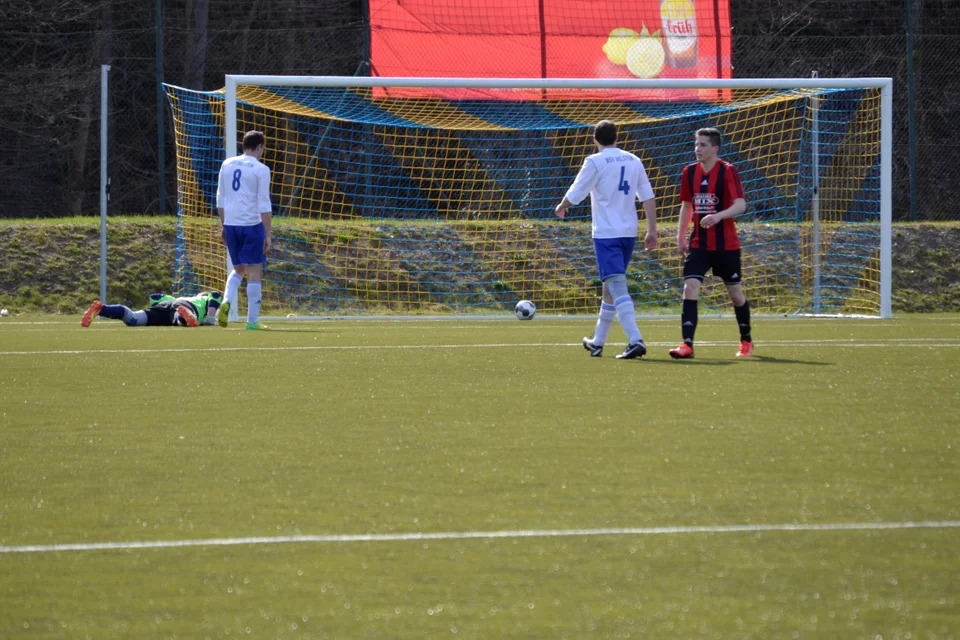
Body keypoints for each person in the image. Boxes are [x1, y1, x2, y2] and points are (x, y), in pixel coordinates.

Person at [555, 120, 658, 359]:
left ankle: (635, 339)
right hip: (628, 233)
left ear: (595, 139)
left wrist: (562, 205)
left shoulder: (595, 161)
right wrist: (652, 230)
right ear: (617, 138)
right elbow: (648, 196)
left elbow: (577, 191)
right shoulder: (634, 160)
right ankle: (598, 341)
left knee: (616, 284)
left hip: (607, 234)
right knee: (609, 287)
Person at [668, 127, 752, 359]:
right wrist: (680, 236)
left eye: (703, 145)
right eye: (696, 144)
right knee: (690, 287)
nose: (698, 149)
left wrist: (718, 216)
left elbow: (741, 205)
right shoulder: (689, 172)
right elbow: (687, 205)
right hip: (699, 243)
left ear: (715, 149)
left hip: (726, 245)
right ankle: (687, 345)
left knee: (736, 295)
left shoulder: (728, 170)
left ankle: (746, 339)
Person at [216, 129, 273, 330]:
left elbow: (220, 197)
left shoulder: (227, 163)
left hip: (231, 224)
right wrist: (268, 234)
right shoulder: (261, 169)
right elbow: (264, 203)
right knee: (254, 270)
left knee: (238, 269)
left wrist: (223, 225)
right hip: (251, 225)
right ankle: (252, 321)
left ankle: (225, 303)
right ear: (259, 147)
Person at [80, 291, 223, 328]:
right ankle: (184, 315)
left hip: (167, 304)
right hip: (186, 307)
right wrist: (210, 318)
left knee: (134, 319)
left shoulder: (176, 297)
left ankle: (101, 309)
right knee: (180, 319)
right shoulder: (203, 300)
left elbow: (154, 297)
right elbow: (216, 296)